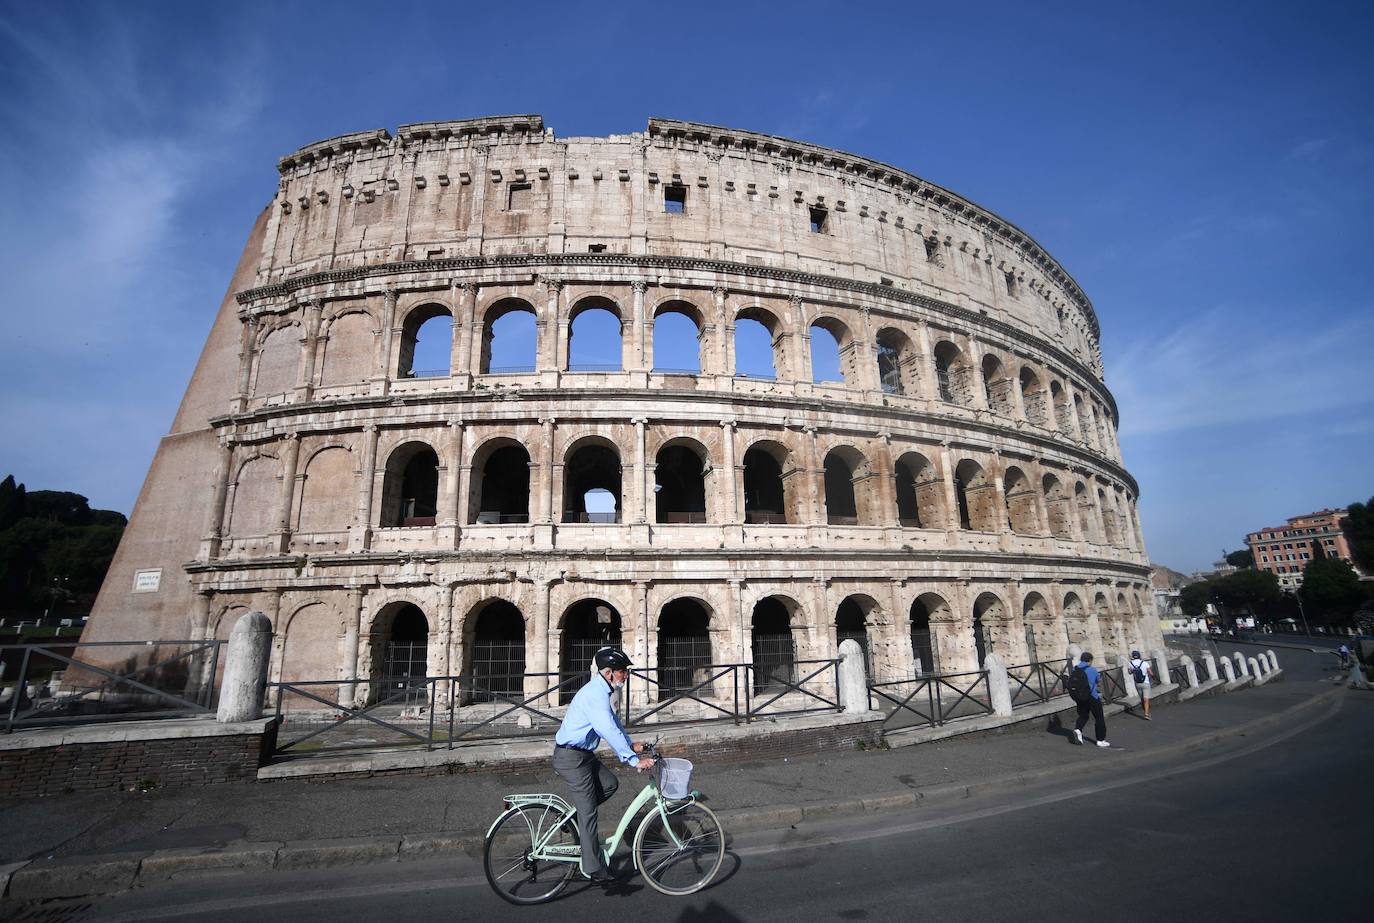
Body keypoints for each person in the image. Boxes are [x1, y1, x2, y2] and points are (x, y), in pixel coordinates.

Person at [553, 647, 655, 883]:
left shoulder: (601, 691)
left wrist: (631, 745)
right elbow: (607, 730)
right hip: (571, 758)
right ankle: (593, 867)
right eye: (623, 672)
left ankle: (570, 820)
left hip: (583, 755)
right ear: (609, 673)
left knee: (609, 784)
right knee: (588, 813)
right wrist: (633, 760)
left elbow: (613, 723)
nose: (626, 676)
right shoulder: (595, 695)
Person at [1071, 652, 1110, 747]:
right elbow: (1098, 681)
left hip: (1080, 697)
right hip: (1092, 696)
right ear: (1090, 660)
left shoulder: (1075, 669)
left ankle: (1078, 729)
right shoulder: (1092, 670)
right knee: (1099, 717)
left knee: (1084, 715)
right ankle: (1100, 740)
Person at [1128, 649, 1154, 720]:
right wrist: (1153, 677)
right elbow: (1151, 673)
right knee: (1146, 699)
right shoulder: (1144, 663)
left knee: (1142, 699)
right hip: (1145, 683)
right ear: (1139, 655)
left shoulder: (1130, 663)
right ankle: (1146, 714)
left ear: (1133, 656)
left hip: (1137, 683)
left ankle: (1146, 711)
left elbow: (1129, 672)